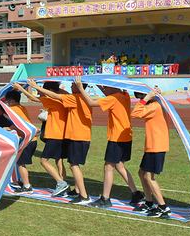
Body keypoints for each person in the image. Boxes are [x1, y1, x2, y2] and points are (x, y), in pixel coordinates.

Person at [75, 80, 144, 208]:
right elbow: (109, 95)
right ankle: (136, 193)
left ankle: (105, 199)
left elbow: (91, 102)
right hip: (126, 135)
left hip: (116, 137)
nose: (104, 88)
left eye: (105, 87)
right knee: (120, 166)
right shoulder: (124, 95)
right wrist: (99, 85)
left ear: (111, 88)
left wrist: (81, 88)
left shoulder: (113, 98)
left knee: (108, 167)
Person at [32, 78, 93, 204]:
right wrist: (53, 85)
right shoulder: (78, 97)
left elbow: (54, 95)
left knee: (73, 165)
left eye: (72, 85)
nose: (70, 87)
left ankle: (83, 195)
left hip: (76, 136)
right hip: (74, 136)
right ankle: (77, 191)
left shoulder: (75, 98)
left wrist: (36, 87)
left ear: (78, 86)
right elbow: (57, 93)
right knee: (71, 164)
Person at [131, 89, 171, 218]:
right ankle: (149, 203)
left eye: (139, 97)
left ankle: (163, 208)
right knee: (142, 173)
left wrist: (145, 99)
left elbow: (135, 114)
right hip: (153, 146)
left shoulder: (154, 106)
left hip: (156, 146)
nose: (139, 100)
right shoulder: (159, 104)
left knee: (149, 177)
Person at [26, 80, 70, 197]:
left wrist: (36, 88)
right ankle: (63, 186)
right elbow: (45, 96)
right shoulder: (64, 98)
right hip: (62, 135)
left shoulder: (54, 101)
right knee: (58, 160)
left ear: (50, 91)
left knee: (43, 161)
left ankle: (61, 183)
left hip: (55, 134)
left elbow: (40, 98)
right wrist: (56, 87)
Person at [6, 83, 40, 193]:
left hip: (27, 141)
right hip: (32, 140)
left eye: (7, 102)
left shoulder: (13, 110)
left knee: (21, 163)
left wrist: (6, 128)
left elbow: (15, 124)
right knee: (20, 162)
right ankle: (21, 181)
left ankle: (26, 186)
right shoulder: (22, 108)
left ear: (11, 102)